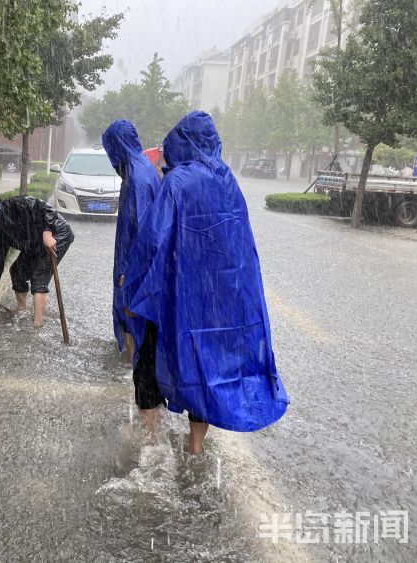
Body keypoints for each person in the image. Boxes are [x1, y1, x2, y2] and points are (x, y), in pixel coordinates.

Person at [122, 111, 289, 454]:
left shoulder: (178, 182)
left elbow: (153, 239)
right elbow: (242, 246)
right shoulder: (228, 180)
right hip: (217, 302)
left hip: (176, 296)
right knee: (205, 367)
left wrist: (132, 285)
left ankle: (151, 442)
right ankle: (195, 445)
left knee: (149, 363)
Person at [0, 190, 74, 328]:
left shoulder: (14, 205)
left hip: (57, 235)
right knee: (17, 271)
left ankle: (37, 325)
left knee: (39, 277)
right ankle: (22, 311)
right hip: (34, 244)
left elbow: (46, 208)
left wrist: (47, 232)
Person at [102, 120, 159, 364]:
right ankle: (131, 366)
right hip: (131, 261)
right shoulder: (140, 169)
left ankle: (133, 371)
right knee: (132, 313)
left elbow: (145, 229)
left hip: (134, 266)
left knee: (132, 312)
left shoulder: (137, 178)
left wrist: (130, 270)